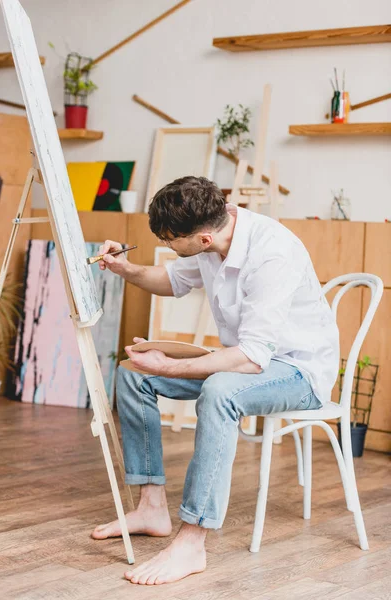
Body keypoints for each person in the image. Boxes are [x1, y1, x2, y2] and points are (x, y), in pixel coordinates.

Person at [91, 176, 339, 586]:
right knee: (133, 374)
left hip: (297, 372)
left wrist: (169, 366)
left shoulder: (271, 254)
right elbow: (171, 282)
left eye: (173, 241)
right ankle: (151, 507)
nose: (170, 247)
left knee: (220, 391)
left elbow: (253, 358)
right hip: (246, 360)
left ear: (203, 239)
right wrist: (123, 267)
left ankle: (193, 540)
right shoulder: (216, 232)